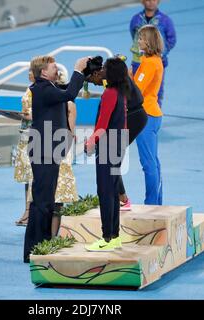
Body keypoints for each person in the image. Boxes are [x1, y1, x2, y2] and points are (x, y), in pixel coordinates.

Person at [23, 55, 88, 262]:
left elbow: (68, 89)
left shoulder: (47, 87)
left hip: (47, 150)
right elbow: (69, 93)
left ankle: (36, 248)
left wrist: (83, 73)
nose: (57, 69)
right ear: (43, 72)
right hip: (44, 151)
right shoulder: (43, 88)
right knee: (43, 202)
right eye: (53, 67)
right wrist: (77, 69)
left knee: (44, 200)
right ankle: (37, 248)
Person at [14, 70, 78, 230]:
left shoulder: (68, 104)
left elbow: (71, 131)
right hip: (45, 146)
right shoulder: (47, 100)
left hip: (59, 149)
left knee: (58, 195)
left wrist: (65, 151)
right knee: (40, 186)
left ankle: (52, 234)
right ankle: (38, 224)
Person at [86, 57, 147, 211]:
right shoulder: (115, 78)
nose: (101, 73)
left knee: (110, 156)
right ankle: (119, 196)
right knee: (110, 156)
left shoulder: (114, 82)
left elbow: (103, 120)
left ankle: (121, 198)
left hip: (133, 116)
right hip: (134, 114)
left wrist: (94, 139)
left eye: (103, 69)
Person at [84, 57, 129, 251]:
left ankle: (107, 238)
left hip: (107, 147)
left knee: (105, 192)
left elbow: (102, 125)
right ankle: (115, 236)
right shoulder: (120, 92)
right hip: (118, 144)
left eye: (104, 69)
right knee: (112, 191)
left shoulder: (109, 94)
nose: (101, 71)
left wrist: (89, 142)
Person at [134, 25, 164, 205]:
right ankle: (157, 202)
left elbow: (136, 90)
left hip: (146, 115)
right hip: (152, 113)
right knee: (153, 161)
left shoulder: (149, 63)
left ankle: (151, 203)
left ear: (148, 41)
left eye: (140, 38)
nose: (138, 41)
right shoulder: (153, 60)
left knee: (148, 163)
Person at [130, 0, 176, 106]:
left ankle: (154, 115)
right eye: (148, 0)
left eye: (154, 0)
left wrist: (160, 51)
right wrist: (140, 50)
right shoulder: (136, 19)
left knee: (156, 91)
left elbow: (171, 39)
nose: (151, 2)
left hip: (157, 59)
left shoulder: (165, 20)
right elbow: (134, 35)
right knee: (137, 89)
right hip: (138, 61)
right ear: (142, 1)